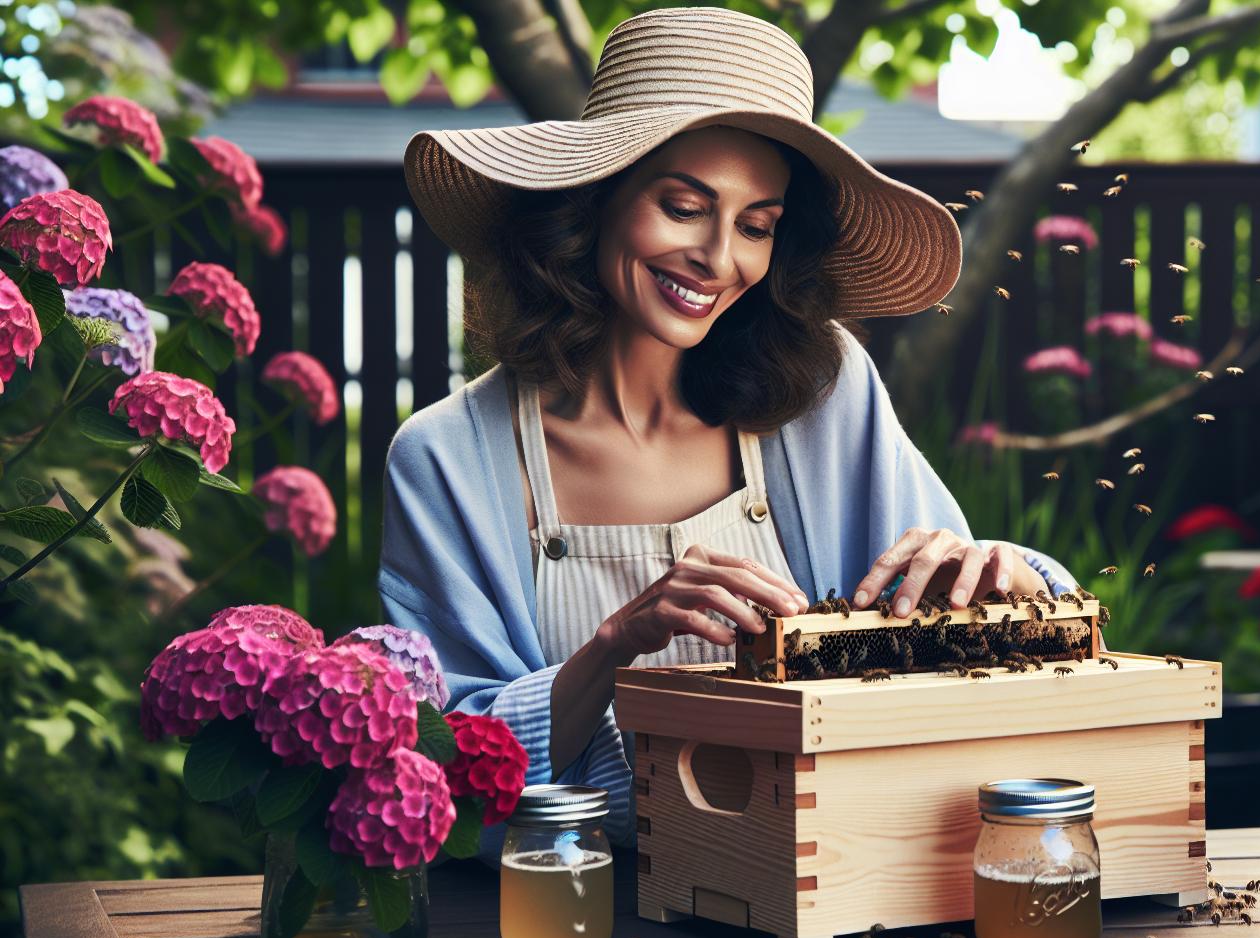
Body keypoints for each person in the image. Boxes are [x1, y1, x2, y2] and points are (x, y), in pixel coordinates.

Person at [380, 6, 1079, 864]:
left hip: (824, 891)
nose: (718, 258)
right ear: (591, 203)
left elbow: (955, 633)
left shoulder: (826, 394)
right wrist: (614, 646)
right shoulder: (446, 458)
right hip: (571, 902)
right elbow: (446, 765)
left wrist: (1005, 575)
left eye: (757, 225)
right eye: (684, 207)